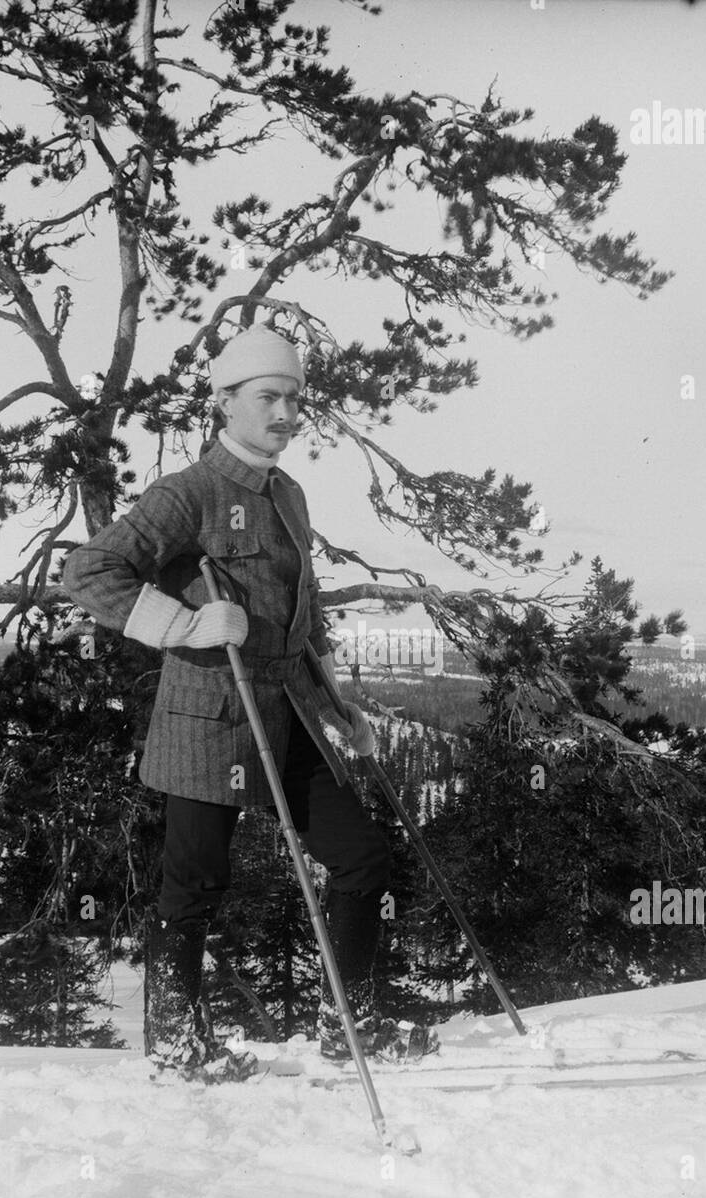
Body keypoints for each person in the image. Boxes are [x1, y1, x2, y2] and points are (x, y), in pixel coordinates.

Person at [62, 326, 435, 1078]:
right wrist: (185, 624)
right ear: (224, 401)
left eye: (294, 399)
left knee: (361, 858)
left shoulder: (286, 493)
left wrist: (337, 704)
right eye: (268, 397)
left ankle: (349, 1027)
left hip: (287, 711)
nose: (286, 413)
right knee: (194, 887)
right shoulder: (188, 494)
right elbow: (90, 570)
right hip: (207, 719)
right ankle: (176, 1045)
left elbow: (305, 611)